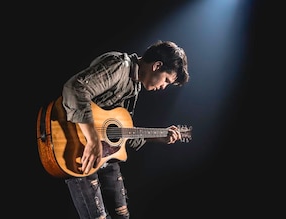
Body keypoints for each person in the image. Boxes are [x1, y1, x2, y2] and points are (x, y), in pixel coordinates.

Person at [61, 40, 190, 219]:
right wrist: (92, 139)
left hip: (105, 153)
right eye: (166, 80)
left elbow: (120, 132)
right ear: (157, 66)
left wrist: (160, 137)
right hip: (78, 147)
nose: (163, 87)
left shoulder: (135, 86)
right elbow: (75, 88)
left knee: (122, 215)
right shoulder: (120, 66)